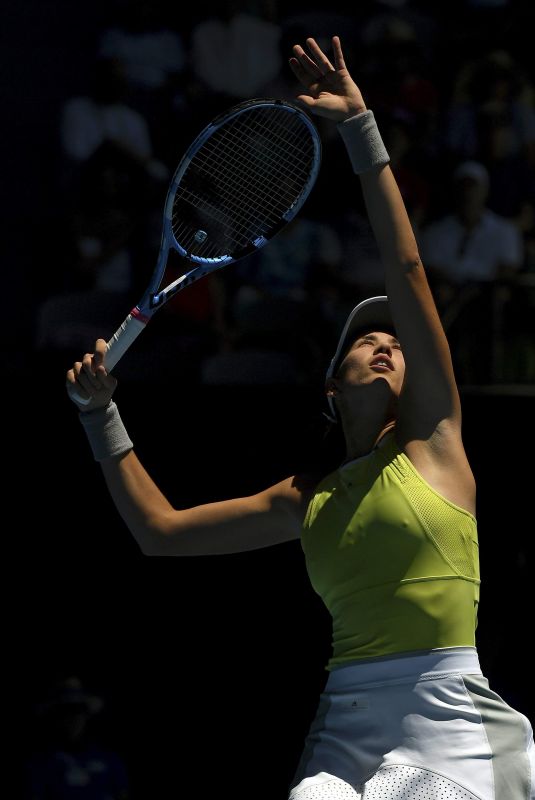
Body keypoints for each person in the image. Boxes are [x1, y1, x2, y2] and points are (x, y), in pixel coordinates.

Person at [65, 35, 535, 799]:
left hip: (448, 723)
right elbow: (159, 533)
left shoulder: (435, 443)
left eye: (395, 340)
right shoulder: (304, 500)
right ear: (329, 384)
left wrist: (360, 129)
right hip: (345, 725)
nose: (385, 344)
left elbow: (407, 268)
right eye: (365, 340)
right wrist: (99, 416)